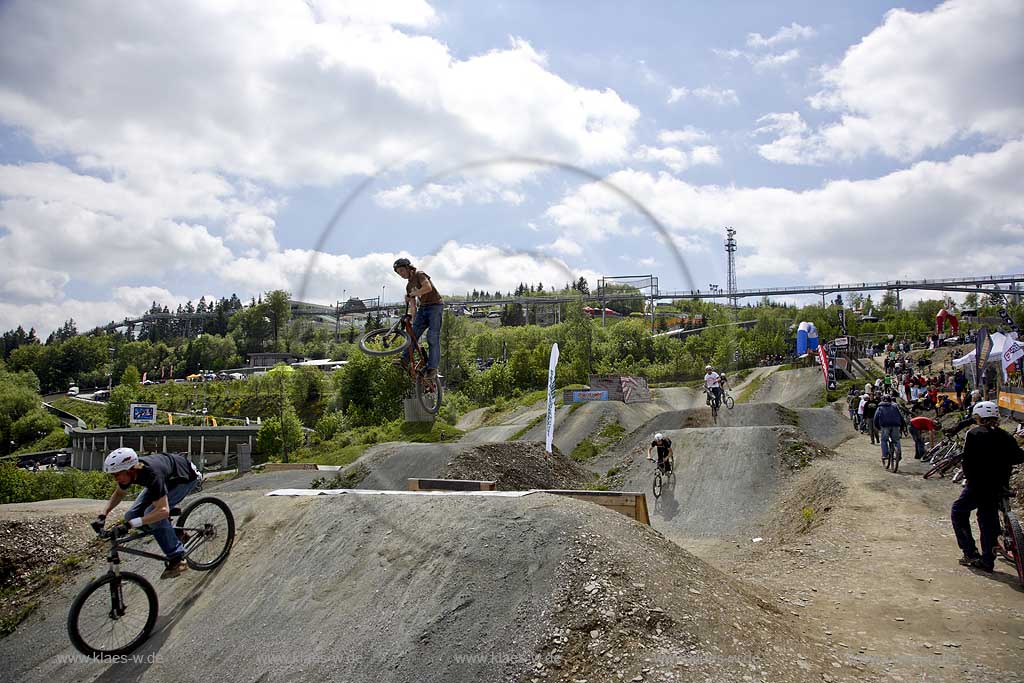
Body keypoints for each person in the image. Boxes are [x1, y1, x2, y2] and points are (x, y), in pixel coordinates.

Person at [94, 448, 202, 579]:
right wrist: (103, 515)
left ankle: (178, 558)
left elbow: (163, 511)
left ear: (130, 469)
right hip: (165, 478)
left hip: (184, 478)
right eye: (113, 475)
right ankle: (174, 534)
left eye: (117, 474)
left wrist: (130, 525)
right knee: (130, 515)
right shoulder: (131, 473)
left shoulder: (151, 474)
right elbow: (119, 493)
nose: (115, 478)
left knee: (152, 514)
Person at [951, 402, 1024, 572]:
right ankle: (987, 558)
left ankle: (970, 552)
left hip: (978, 486)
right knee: (987, 519)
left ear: (978, 417)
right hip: (1000, 486)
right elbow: (1018, 457)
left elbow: (967, 461)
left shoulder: (974, 434)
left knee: (958, 511)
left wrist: (969, 478)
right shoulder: (1005, 436)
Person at [393, 257, 444, 378]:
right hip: (423, 308)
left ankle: (432, 368)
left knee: (432, 336)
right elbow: (413, 306)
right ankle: (404, 359)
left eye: (402, 271)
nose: (401, 274)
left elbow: (427, 288)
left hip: (435, 306)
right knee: (412, 334)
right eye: (398, 273)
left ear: (408, 268)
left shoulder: (419, 274)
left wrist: (411, 294)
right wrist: (413, 319)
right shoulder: (408, 286)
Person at [873, 395, 906, 466]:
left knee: (884, 440)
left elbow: (875, 418)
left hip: (885, 426)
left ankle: (885, 455)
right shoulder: (894, 406)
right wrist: (902, 426)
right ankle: (898, 455)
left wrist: (878, 427)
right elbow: (901, 416)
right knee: (896, 440)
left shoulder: (880, 407)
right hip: (895, 425)